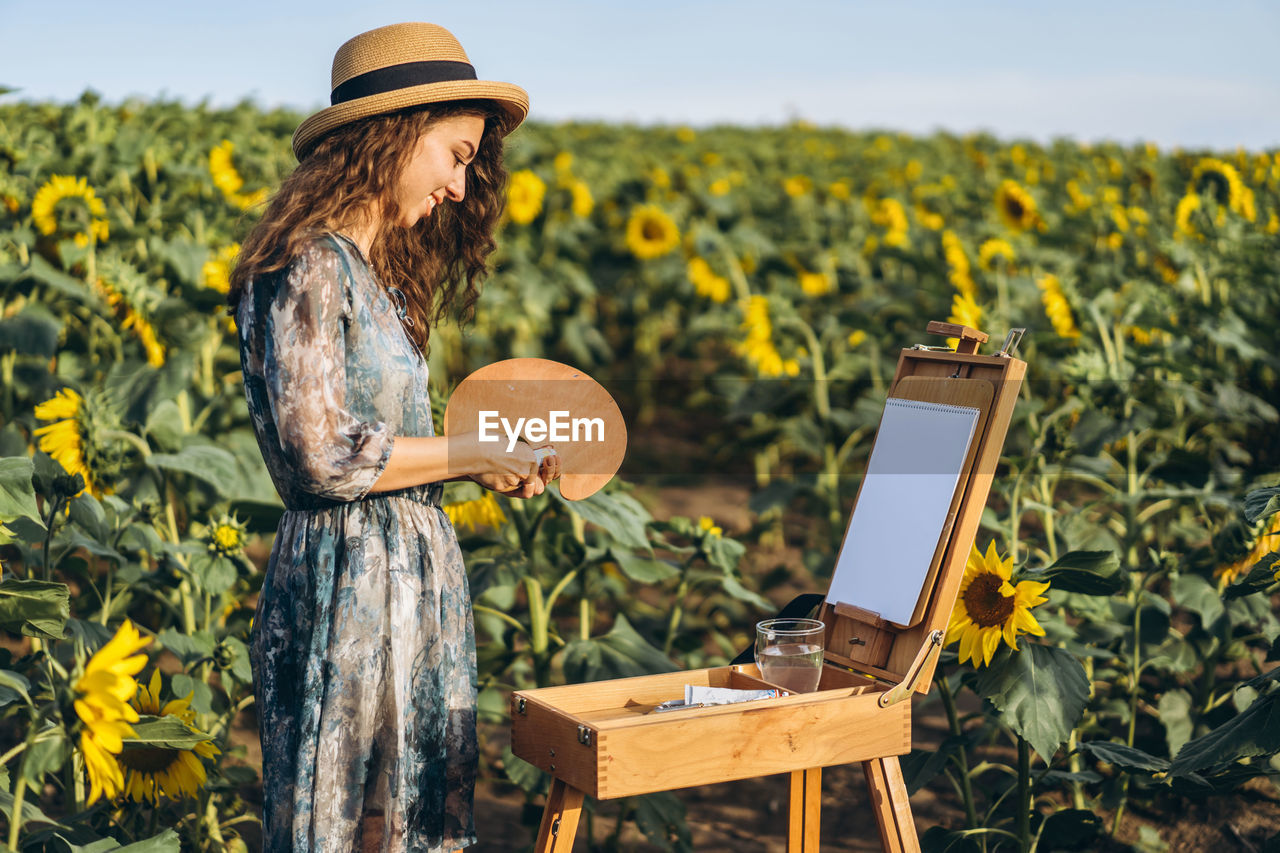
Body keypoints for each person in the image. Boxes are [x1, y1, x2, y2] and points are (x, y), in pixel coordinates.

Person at [225, 22, 554, 853]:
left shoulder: (379, 277)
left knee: (410, 823)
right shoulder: (306, 262)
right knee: (335, 827)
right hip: (343, 592)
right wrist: (474, 452)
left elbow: (387, 445)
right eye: (455, 152)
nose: (459, 181)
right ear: (396, 136)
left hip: (413, 581)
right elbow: (321, 454)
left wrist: (482, 462)